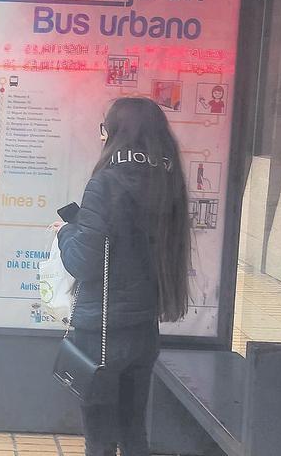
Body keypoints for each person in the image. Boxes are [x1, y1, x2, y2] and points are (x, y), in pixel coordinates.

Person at [52, 97, 190, 456]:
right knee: (133, 434)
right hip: (144, 329)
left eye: (104, 130)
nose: (101, 137)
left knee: (99, 441)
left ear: (116, 134)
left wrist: (65, 232)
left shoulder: (106, 183)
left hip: (101, 332)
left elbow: (83, 262)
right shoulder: (168, 183)